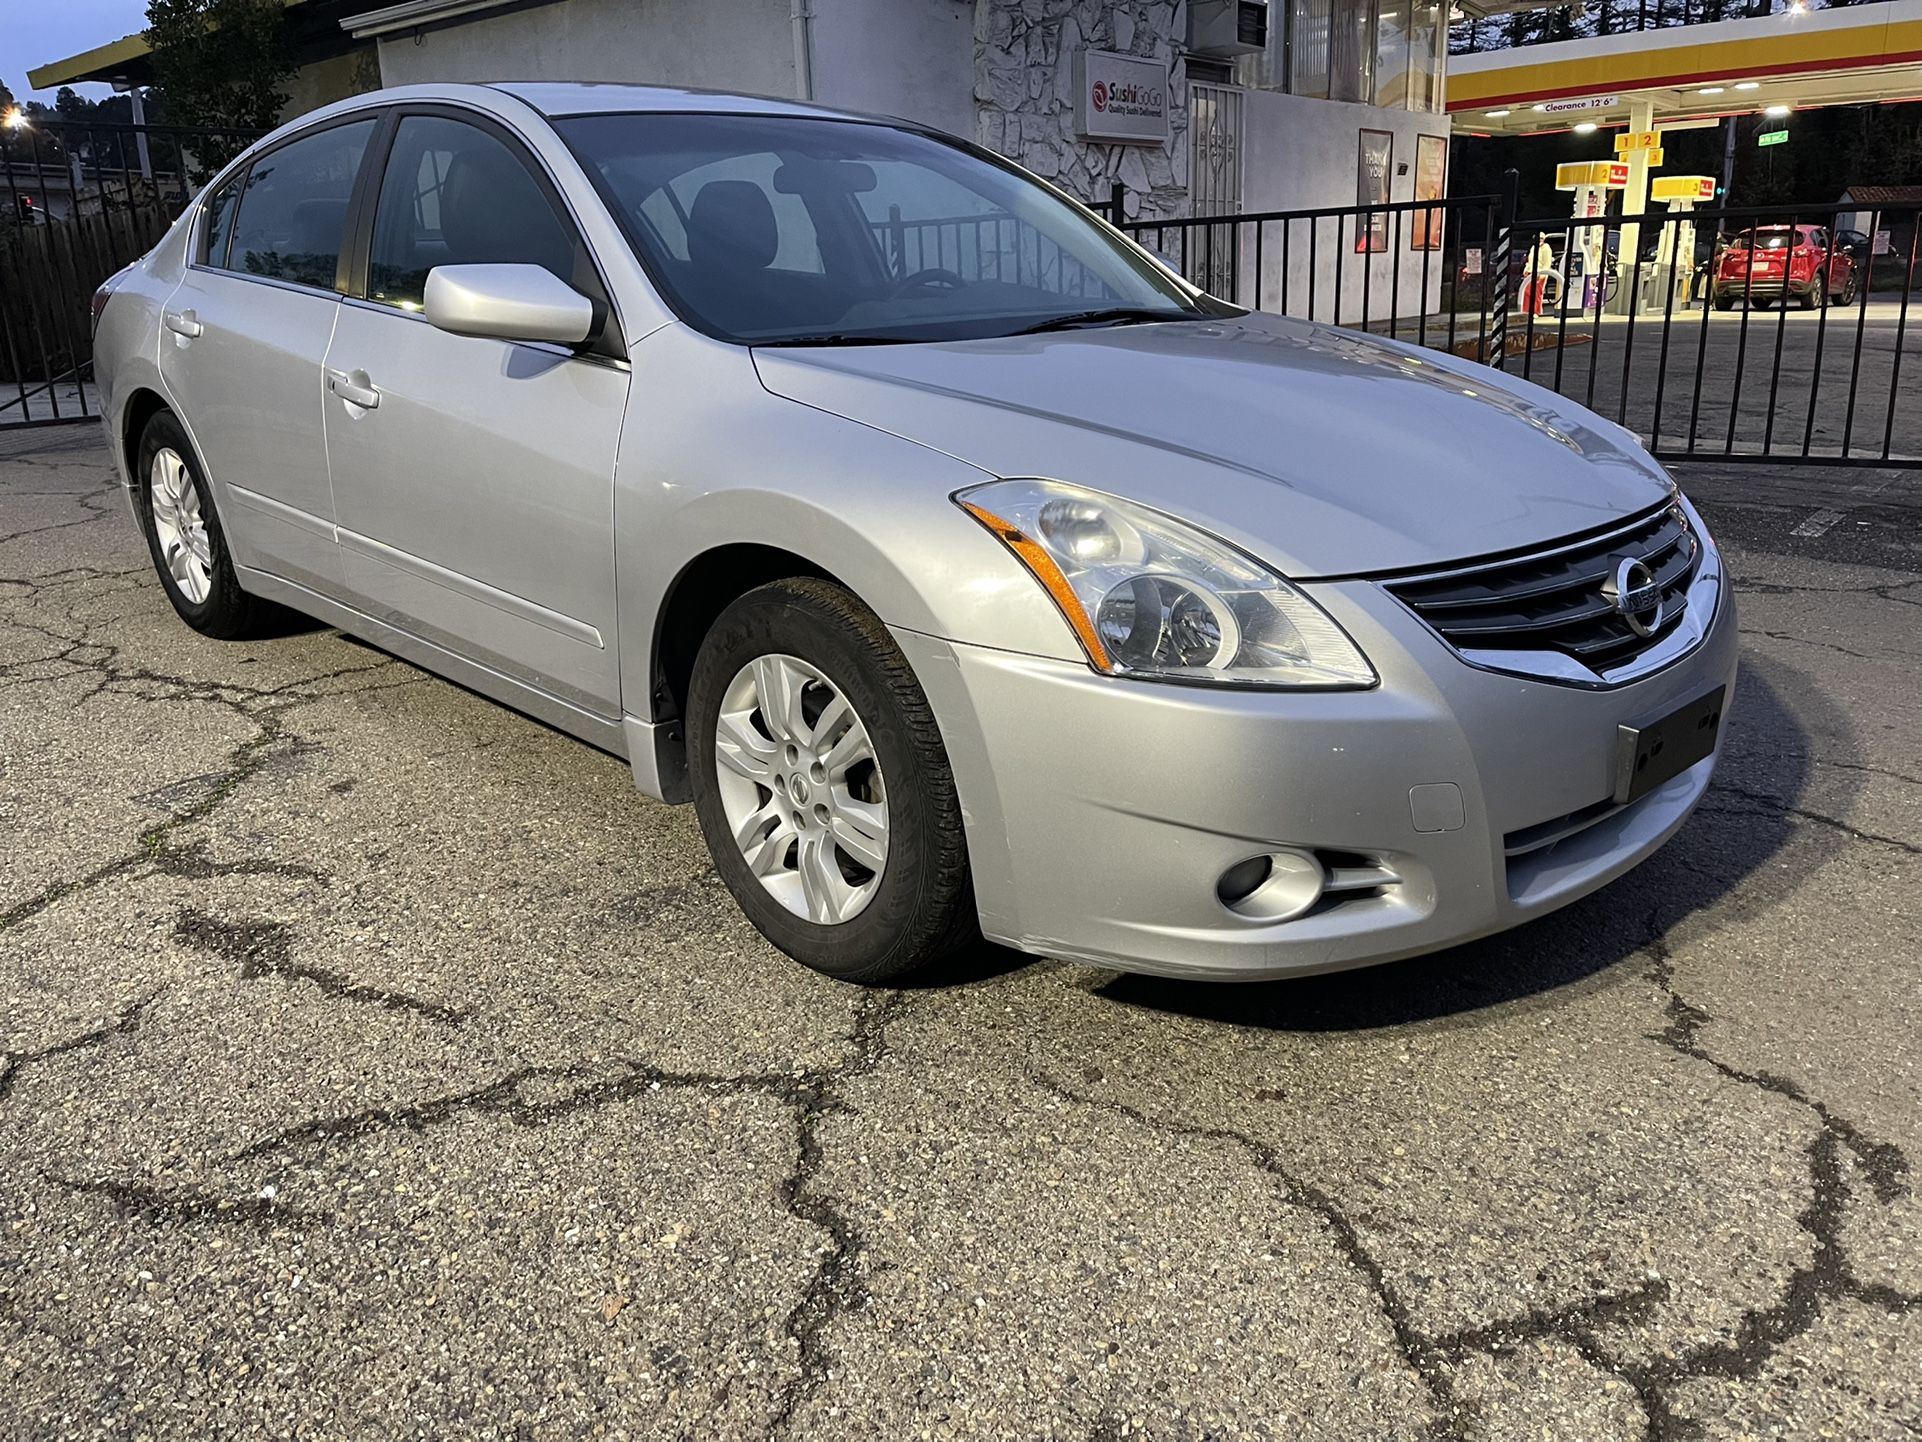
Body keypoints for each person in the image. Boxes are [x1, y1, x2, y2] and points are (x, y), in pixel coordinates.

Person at [1521, 234, 1556, 315]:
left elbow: (1547, 263)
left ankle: (1536, 311)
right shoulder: (1533, 247)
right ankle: (1526, 311)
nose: (1540, 240)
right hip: (1531, 272)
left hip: (1540, 273)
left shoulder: (1546, 248)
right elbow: (1530, 260)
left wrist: (1543, 274)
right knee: (1527, 292)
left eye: (1541, 238)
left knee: (1537, 293)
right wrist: (1526, 268)